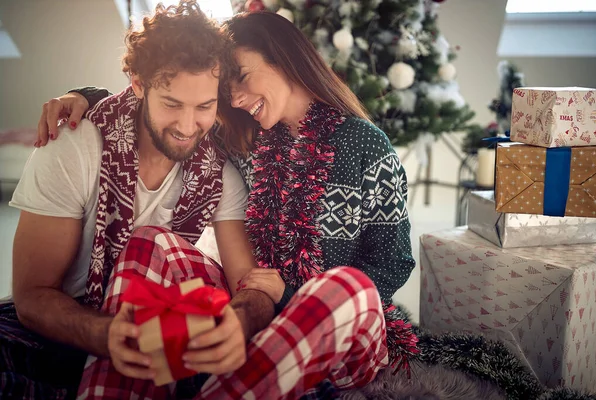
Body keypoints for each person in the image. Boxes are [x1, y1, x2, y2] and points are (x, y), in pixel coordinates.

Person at [33, 6, 417, 399]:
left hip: (347, 332)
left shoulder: (366, 144)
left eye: (244, 77)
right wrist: (84, 97)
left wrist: (289, 293)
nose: (236, 98)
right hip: (266, 323)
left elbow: (394, 263)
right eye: (227, 89)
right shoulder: (242, 140)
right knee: (151, 241)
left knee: (344, 285)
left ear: (284, 59)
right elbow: (162, 98)